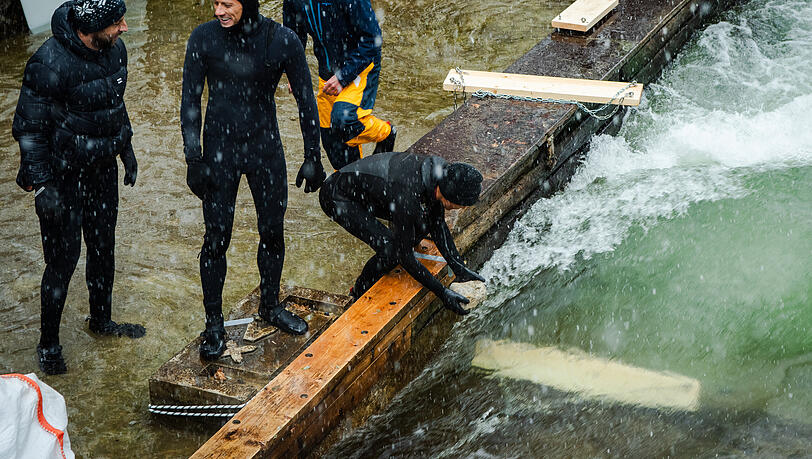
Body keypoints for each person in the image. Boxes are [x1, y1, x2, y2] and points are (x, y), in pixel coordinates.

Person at [181, 0, 325, 360]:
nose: (218, 11)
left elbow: (306, 99)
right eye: (214, 3)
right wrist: (193, 157)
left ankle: (270, 305)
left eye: (226, 3)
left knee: (272, 231)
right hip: (219, 152)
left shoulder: (282, 40)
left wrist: (313, 156)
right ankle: (213, 324)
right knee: (216, 237)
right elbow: (191, 100)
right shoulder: (203, 38)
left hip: (265, 149)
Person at [12, 0, 144, 375]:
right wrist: (43, 187)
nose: (125, 28)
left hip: (101, 170)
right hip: (61, 176)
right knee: (62, 262)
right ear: (91, 28)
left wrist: (127, 149)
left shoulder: (115, 50)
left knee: (103, 249)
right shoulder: (48, 63)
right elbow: (29, 131)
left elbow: (115, 104)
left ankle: (101, 320)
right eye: (117, 23)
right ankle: (48, 343)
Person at [319, 152, 486, 314]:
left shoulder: (440, 175)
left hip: (372, 191)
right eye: (462, 205)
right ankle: (358, 292)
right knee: (391, 251)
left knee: (420, 227)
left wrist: (459, 267)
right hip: (338, 196)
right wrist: (442, 292)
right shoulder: (408, 195)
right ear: (450, 197)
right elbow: (404, 256)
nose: (463, 208)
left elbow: (438, 224)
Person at [283, 0, 396, 170]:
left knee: (344, 121)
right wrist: (293, 71)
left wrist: (343, 77)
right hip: (328, 72)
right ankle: (353, 182)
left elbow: (372, 39)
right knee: (332, 141)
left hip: (360, 65)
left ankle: (386, 134)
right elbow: (294, 36)